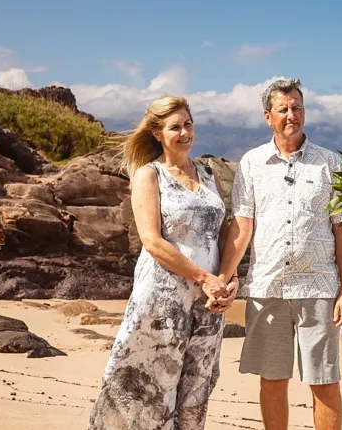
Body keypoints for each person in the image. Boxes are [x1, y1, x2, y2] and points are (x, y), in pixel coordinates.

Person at [213, 78, 342, 430]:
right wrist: (225, 278)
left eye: (297, 108)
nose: (292, 115)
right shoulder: (251, 164)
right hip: (267, 288)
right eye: (284, 109)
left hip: (320, 288)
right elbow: (242, 227)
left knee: (324, 381)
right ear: (268, 116)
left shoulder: (332, 164)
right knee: (272, 380)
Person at [89, 96, 235, 430]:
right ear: (157, 133)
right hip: (162, 299)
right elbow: (152, 242)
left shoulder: (210, 175)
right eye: (175, 127)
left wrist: (228, 280)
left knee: (196, 385)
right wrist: (203, 277)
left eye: (188, 124)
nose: (184, 132)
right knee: (148, 383)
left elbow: (223, 233)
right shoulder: (148, 175)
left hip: (208, 302)